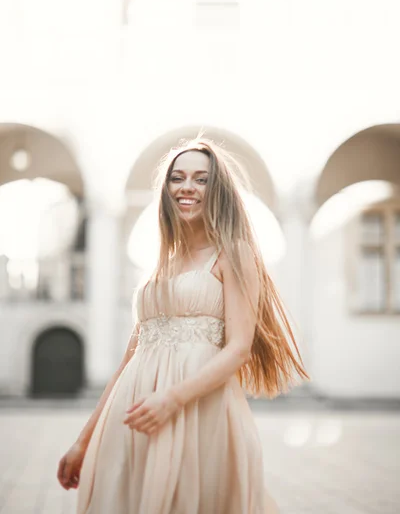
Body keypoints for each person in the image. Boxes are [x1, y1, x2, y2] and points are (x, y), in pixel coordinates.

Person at [57, 137, 310, 514]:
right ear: (166, 189)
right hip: (135, 412)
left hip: (197, 410)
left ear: (217, 189)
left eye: (200, 178)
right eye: (177, 178)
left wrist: (172, 398)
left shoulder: (234, 252)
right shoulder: (159, 263)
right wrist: (84, 439)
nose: (187, 186)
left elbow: (239, 347)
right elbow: (129, 359)